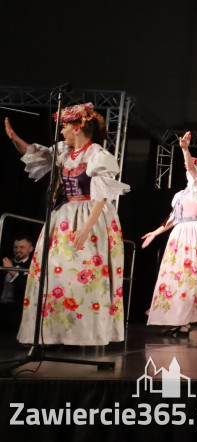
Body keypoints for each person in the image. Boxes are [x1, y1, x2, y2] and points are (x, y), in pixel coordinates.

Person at [5, 106, 130, 346]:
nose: (61, 132)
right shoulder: (65, 152)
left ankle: (84, 334)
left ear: (78, 127)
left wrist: (86, 229)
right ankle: (55, 333)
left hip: (91, 216)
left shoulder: (97, 154)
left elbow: (101, 196)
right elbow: (33, 154)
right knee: (56, 273)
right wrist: (14, 138)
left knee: (85, 274)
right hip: (65, 215)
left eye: (64, 127)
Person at [141, 132, 197, 338]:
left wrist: (184, 150)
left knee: (190, 275)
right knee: (175, 275)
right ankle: (176, 318)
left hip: (194, 232)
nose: (189, 171)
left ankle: (185, 319)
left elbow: (191, 168)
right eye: (188, 168)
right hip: (180, 232)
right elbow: (173, 218)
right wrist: (155, 234)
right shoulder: (180, 194)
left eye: (194, 169)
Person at [1, 237, 34, 332]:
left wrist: (11, 270)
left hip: (16, 310)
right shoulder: (7, 261)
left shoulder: (32, 265)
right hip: (2, 305)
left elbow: (26, 287)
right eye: (15, 247)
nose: (18, 250)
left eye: (22, 247)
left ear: (30, 249)